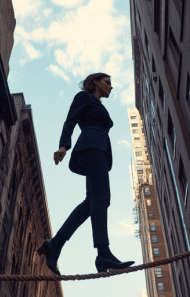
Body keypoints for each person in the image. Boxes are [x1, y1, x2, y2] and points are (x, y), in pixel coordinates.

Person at [37, 73, 135, 275]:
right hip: (91, 147)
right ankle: (103, 252)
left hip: (97, 149)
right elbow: (71, 119)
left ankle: (55, 244)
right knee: (101, 197)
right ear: (96, 82)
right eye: (108, 82)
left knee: (91, 202)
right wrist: (63, 146)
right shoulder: (84, 97)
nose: (111, 86)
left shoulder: (98, 104)